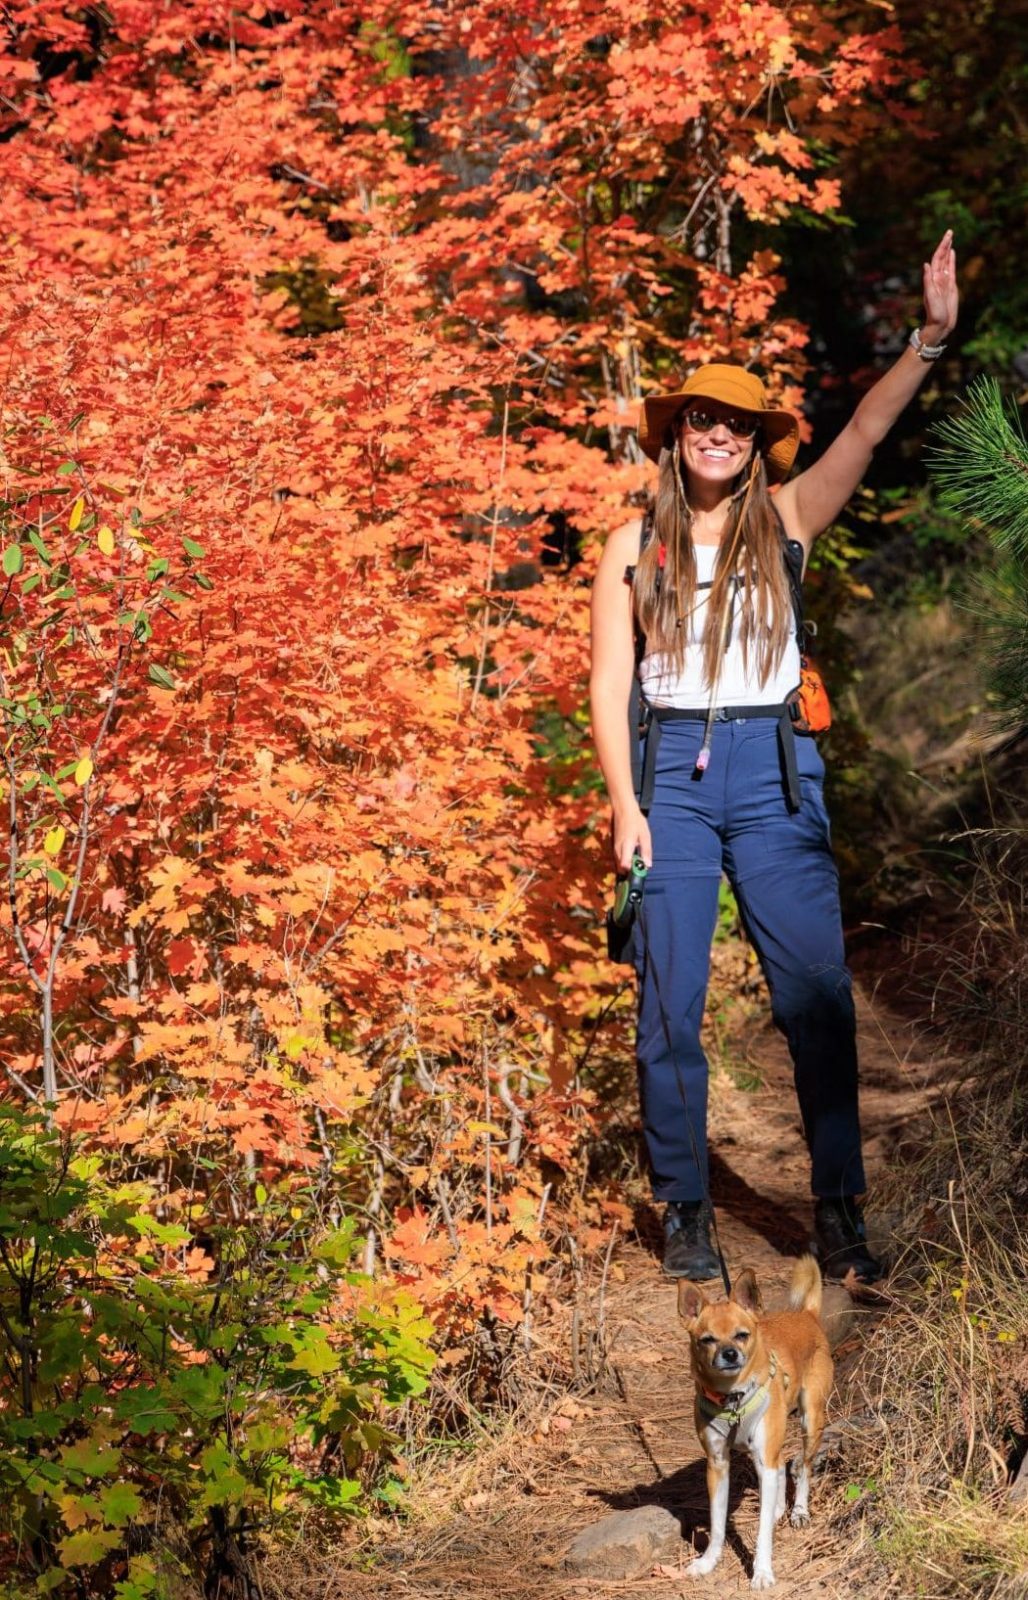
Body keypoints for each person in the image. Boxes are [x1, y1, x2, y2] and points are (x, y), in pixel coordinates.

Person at [589, 232, 959, 1283]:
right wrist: (624, 806)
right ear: (677, 433)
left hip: (774, 771)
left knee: (812, 993)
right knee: (668, 1002)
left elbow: (869, 426)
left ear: (756, 442)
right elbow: (606, 685)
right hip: (666, 780)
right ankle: (687, 1213)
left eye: (737, 425)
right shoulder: (630, 547)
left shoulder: (788, 521)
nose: (717, 435)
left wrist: (925, 343)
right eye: (700, 418)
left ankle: (838, 1211)